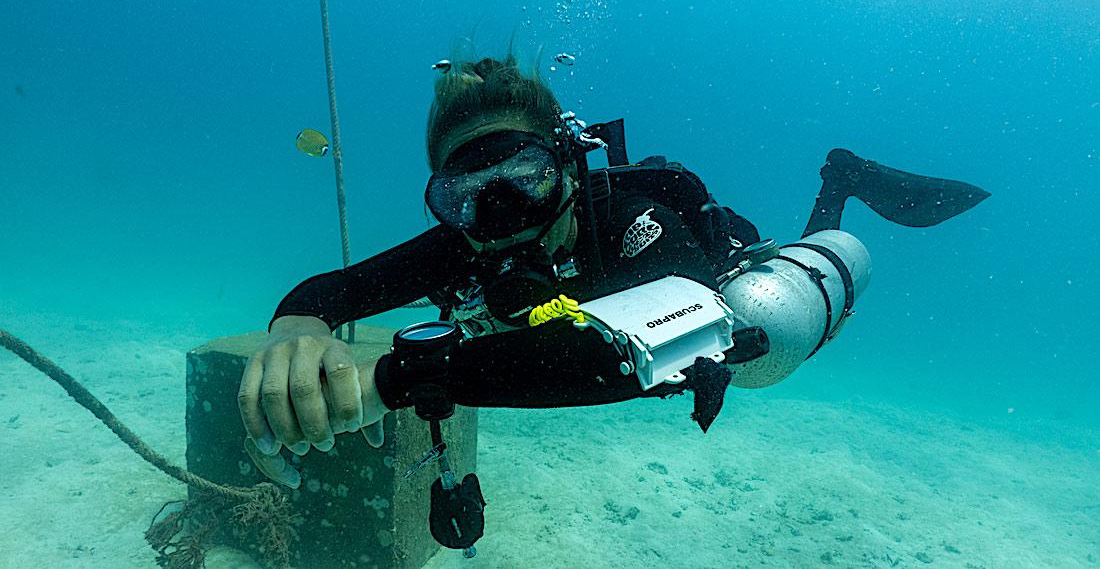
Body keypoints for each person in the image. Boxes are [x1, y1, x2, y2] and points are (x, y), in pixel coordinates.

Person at [237, 55, 989, 489]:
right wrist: (295, 335)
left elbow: (624, 359)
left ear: (565, 168)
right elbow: (326, 293)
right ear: (446, 203)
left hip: (716, 274)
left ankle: (840, 181)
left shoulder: (629, 220)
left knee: (766, 326)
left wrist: (395, 378)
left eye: (523, 178)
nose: (504, 215)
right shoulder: (467, 245)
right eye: (469, 196)